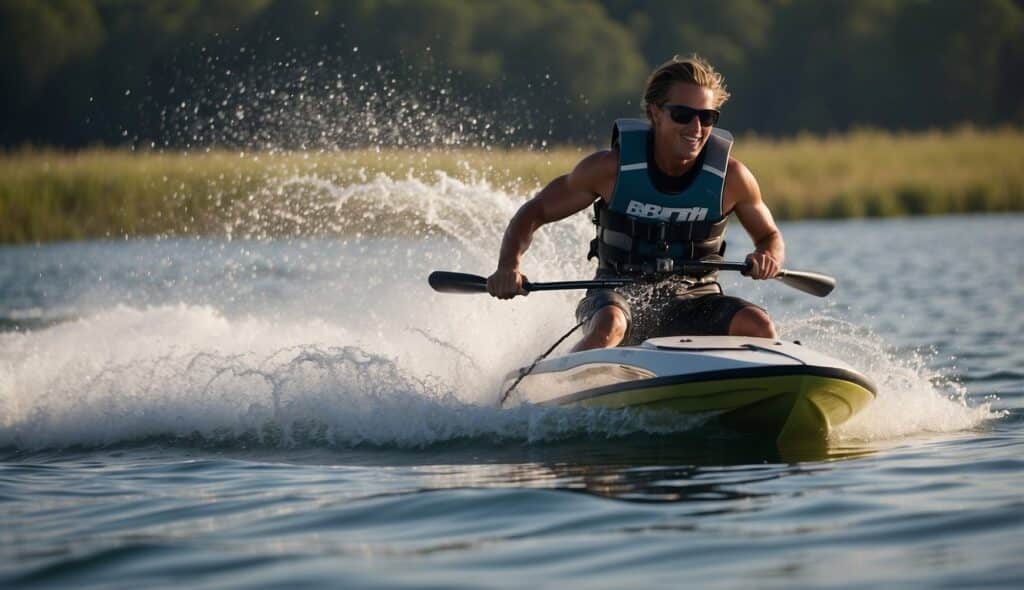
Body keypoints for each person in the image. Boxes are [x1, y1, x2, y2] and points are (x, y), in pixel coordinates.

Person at [486, 55, 784, 351]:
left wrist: (767, 256)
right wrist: (508, 266)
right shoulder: (609, 170)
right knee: (609, 327)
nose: (696, 127)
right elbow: (535, 211)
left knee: (759, 326)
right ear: (655, 113)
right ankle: (556, 389)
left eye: (707, 117)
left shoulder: (732, 178)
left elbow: (769, 237)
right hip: (615, 295)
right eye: (682, 114)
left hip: (696, 298)